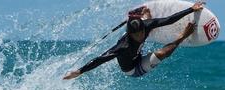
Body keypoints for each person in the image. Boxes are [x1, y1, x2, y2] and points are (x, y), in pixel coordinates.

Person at [63, 1, 204, 80]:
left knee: (150, 23)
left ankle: (142, 17)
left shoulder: (146, 26)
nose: (141, 35)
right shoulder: (122, 47)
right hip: (133, 69)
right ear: (130, 34)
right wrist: (80, 71)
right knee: (162, 54)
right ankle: (183, 36)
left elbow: (169, 20)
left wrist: (191, 9)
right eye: (137, 34)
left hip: (141, 33)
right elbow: (100, 59)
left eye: (143, 31)